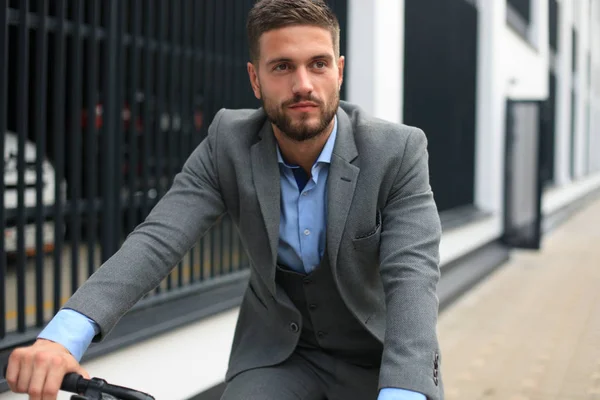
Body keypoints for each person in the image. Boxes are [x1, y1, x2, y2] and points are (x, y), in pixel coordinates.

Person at [5, 0, 443, 399]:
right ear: (255, 79)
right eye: (282, 67)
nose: (303, 84)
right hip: (279, 356)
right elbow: (157, 240)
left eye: (319, 64)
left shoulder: (396, 151)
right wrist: (61, 338)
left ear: (340, 71)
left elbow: (412, 276)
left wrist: (404, 389)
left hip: (378, 356)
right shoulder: (227, 142)